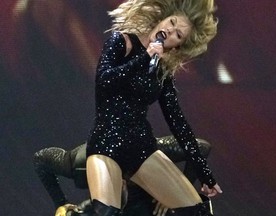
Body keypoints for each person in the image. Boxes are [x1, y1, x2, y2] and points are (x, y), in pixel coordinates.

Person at [82, 0, 222, 215]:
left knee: (198, 210)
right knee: (106, 212)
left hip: (140, 146)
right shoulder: (122, 41)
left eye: (178, 34)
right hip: (107, 141)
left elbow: (178, 123)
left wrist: (205, 176)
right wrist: (145, 56)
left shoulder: (161, 72)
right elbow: (104, 80)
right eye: (172, 22)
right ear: (162, 18)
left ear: (177, 45)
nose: (170, 30)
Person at [33, 136, 213, 216]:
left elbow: (200, 147)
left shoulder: (148, 154)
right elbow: (40, 159)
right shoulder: (77, 165)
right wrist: (61, 203)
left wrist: (173, 191)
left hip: (147, 193)